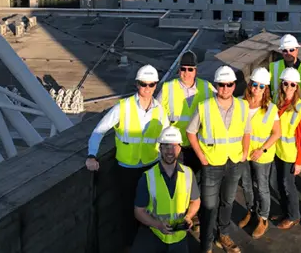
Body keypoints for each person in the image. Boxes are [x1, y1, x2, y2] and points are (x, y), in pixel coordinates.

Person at [86, 64, 169, 246]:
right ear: (137, 84)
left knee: (151, 209)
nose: (147, 89)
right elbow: (98, 131)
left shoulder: (160, 110)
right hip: (127, 169)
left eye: (151, 85)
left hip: (151, 167)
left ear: (156, 85)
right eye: (143, 84)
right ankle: (130, 246)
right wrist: (92, 155)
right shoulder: (123, 107)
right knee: (128, 211)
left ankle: (146, 246)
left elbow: (168, 138)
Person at [186, 66, 250, 253]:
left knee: (228, 201)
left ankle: (224, 234)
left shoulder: (242, 106)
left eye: (229, 84)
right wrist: (202, 157)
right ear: (216, 85)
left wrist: (245, 152)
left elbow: (247, 131)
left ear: (234, 86)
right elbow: (190, 132)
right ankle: (206, 245)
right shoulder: (204, 107)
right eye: (221, 85)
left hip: (234, 161)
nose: (225, 88)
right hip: (212, 163)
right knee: (209, 206)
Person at [132, 126, 201, 253]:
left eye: (174, 146)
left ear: (180, 149)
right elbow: (138, 211)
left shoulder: (188, 174)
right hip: (155, 236)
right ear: (160, 148)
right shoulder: (147, 177)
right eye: (166, 146)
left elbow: (195, 201)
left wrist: (189, 216)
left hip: (180, 238)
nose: (170, 151)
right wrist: (157, 225)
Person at [237, 67, 281, 239]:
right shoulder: (241, 103)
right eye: (254, 84)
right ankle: (251, 210)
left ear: (266, 89)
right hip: (244, 152)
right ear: (249, 85)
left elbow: (277, 133)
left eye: (261, 86)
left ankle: (263, 218)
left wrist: (261, 149)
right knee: (247, 185)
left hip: (262, 155)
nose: (256, 89)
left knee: (262, 188)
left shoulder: (271, 108)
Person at [159, 51, 216, 175]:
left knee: (197, 184)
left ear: (196, 71)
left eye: (190, 69)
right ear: (178, 70)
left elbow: (222, 104)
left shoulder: (207, 87)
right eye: (183, 69)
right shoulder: (167, 88)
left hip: (199, 147)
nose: (186, 73)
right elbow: (156, 115)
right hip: (176, 148)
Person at [273, 67, 301, 230]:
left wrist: (299, 161)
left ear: (297, 87)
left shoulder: (299, 109)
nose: (288, 87)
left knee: (288, 186)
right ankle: (285, 211)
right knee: (277, 184)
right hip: (277, 152)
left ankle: (294, 216)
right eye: (286, 84)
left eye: (292, 85)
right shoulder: (278, 102)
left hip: (290, 155)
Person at [269, 34, 301, 100]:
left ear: (297, 50)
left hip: (298, 108)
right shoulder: (273, 67)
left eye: (291, 50)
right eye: (285, 50)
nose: (288, 53)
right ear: (281, 52)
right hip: (276, 107)